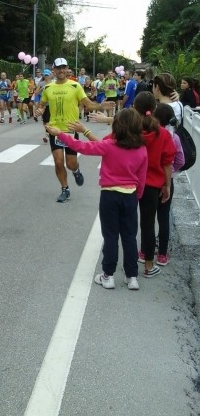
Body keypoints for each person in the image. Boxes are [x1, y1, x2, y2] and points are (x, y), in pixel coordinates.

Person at [46, 108, 147, 290]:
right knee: (130, 236)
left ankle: (108, 275)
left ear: (117, 126)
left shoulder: (109, 146)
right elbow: (142, 177)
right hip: (130, 195)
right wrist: (137, 197)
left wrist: (60, 133)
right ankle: (132, 277)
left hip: (110, 195)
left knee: (110, 236)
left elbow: (82, 147)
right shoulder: (142, 149)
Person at [34, 57, 114, 203]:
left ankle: (76, 171)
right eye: (58, 68)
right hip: (55, 129)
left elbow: (88, 104)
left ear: (67, 69)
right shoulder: (48, 88)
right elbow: (42, 105)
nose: (61, 70)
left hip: (71, 129)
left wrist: (102, 107)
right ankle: (65, 189)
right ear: (54, 70)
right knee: (58, 162)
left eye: (64, 67)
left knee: (71, 163)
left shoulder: (75, 86)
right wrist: (39, 111)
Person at [133, 91, 176, 278]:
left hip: (132, 182)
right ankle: (149, 265)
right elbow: (167, 162)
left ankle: (132, 258)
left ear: (135, 108)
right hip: (154, 184)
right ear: (155, 108)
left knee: (129, 222)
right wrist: (167, 185)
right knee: (149, 224)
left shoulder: (132, 130)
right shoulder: (163, 133)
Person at [152, 103, 185, 267]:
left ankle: (146, 252)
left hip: (150, 181)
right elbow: (181, 160)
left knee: (147, 218)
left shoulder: (150, 134)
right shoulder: (175, 137)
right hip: (167, 182)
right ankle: (163, 255)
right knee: (163, 218)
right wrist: (171, 172)